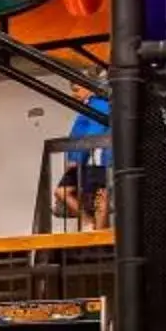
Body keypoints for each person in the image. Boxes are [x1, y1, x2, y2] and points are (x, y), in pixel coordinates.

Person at [51, 91, 111, 231]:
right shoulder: (89, 105)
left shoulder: (99, 103)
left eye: (77, 89)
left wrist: (77, 158)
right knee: (63, 191)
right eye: (72, 90)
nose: (74, 94)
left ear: (87, 88)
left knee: (101, 195)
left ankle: (98, 233)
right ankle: (90, 223)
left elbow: (93, 133)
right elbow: (81, 132)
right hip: (88, 157)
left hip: (97, 156)